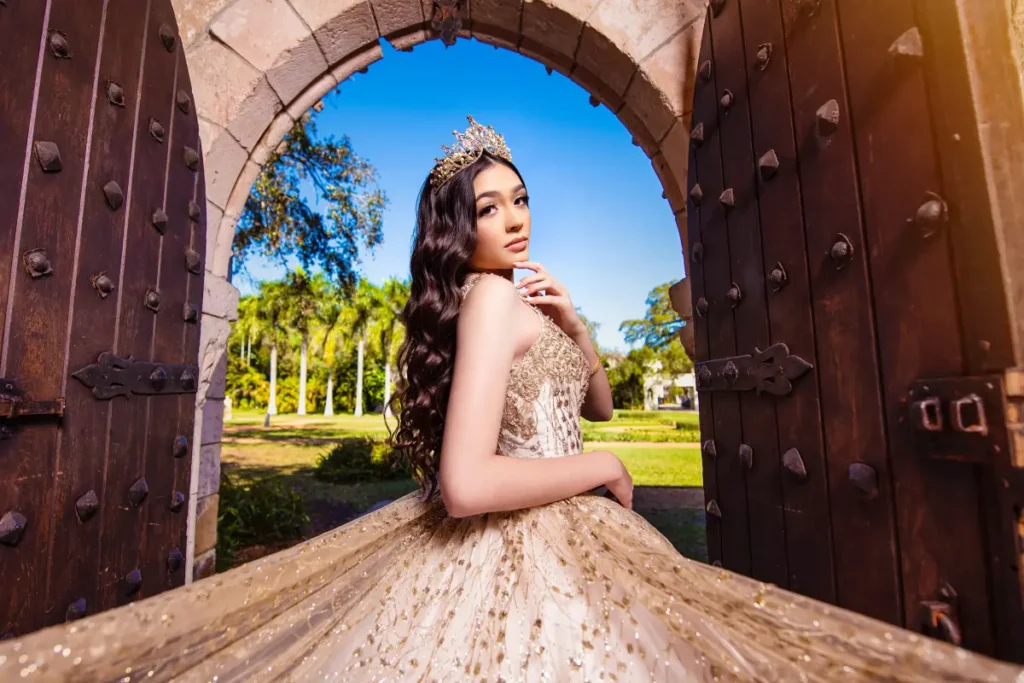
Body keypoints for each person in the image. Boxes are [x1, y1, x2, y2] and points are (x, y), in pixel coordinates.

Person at [1, 117, 1021, 683]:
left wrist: (577, 324)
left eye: (521, 196)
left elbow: (604, 405)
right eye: (489, 207)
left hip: (576, 528)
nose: (515, 218)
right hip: (523, 543)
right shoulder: (486, 297)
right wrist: (604, 471)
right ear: (459, 228)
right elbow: (467, 480)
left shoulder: (522, 296)